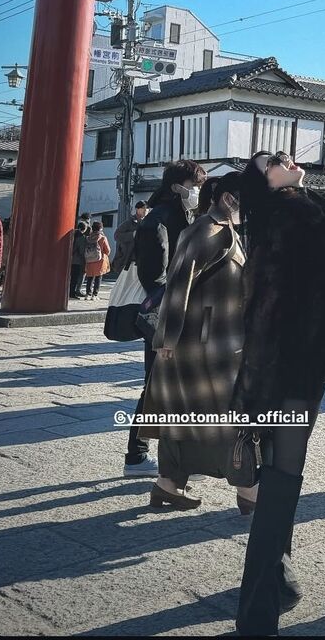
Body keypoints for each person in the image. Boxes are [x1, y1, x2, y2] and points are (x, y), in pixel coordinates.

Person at [230, 150, 325, 637]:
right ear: (267, 183)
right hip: (290, 370)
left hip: (292, 367)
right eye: (274, 160)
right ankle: (257, 612)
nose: (288, 159)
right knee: (282, 482)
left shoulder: (296, 209)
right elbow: (266, 308)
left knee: (280, 480)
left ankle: (279, 579)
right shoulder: (290, 214)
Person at [138, 173, 257, 513]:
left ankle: (168, 485)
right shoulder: (204, 231)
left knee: (185, 413)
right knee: (221, 415)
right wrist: (165, 338)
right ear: (228, 199)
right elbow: (178, 285)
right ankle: (249, 489)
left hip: (211, 337)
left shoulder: (221, 230)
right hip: (202, 341)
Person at [123, 158, 206, 477]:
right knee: (161, 387)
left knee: (164, 386)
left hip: (175, 313)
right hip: (167, 316)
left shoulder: (179, 214)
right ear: (177, 187)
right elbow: (153, 278)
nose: (197, 191)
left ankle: (140, 456)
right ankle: (144, 456)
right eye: (195, 186)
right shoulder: (160, 219)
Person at [112, 201, 148, 276]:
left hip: (142, 260)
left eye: (147, 208)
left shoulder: (148, 222)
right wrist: (132, 235)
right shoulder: (129, 222)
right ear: (137, 209)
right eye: (143, 208)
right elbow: (116, 235)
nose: (146, 210)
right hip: (129, 259)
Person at [83, 221, 110, 298]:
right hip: (100, 260)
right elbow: (107, 251)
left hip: (89, 260)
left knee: (90, 277)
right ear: (101, 228)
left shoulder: (88, 238)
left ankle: (88, 294)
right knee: (98, 277)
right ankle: (94, 295)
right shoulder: (102, 238)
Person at [69, 220, 89, 298]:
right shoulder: (81, 238)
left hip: (70, 259)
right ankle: (72, 293)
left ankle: (70, 291)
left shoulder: (72, 234)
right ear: (84, 229)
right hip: (77, 260)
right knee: (75, 278)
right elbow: (81, 251)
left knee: (71, 277)